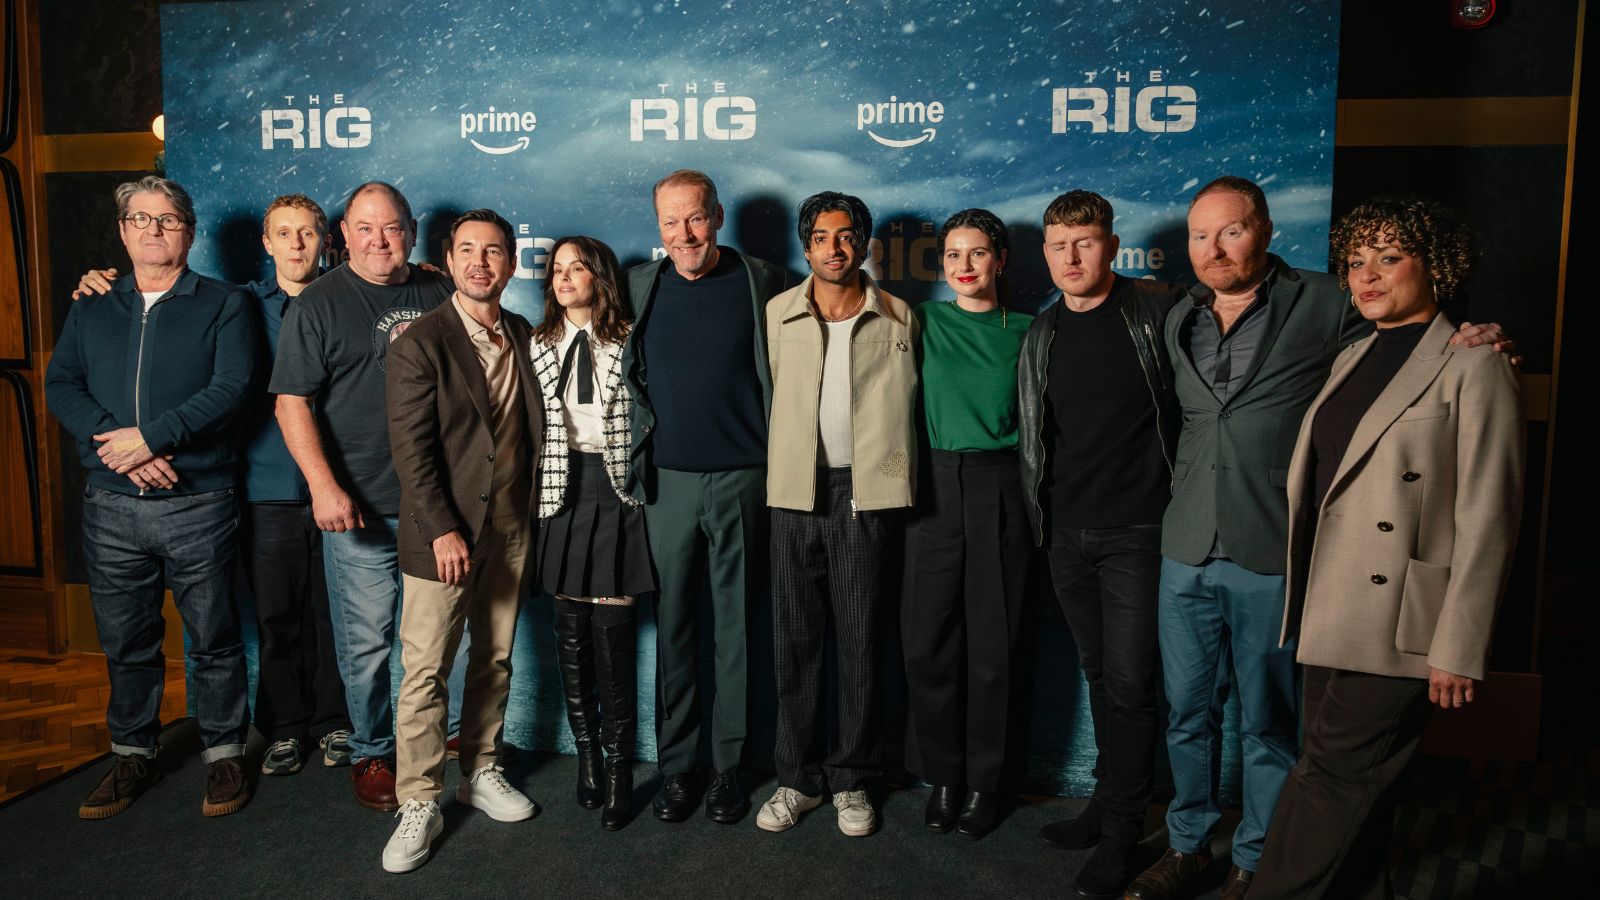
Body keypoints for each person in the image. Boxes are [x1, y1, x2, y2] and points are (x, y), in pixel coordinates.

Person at [1128, 177, 1512, 900]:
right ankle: (1188, 846)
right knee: (1187, 712)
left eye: (1232, 230)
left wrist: (1481, 332)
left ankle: (1256, 858)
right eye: (1200, 235)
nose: (1214, 249)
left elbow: (1425, 367)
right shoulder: (1175, 314)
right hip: (1195, 544)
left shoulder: (1330, 305)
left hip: (1279, 551)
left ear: (1265, 229)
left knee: (1274, 727)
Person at [1250, 197, 1523, 899]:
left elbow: (1489, 515)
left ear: (1438, 266)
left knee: (1327, 782)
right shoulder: (1353, 355)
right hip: (1330, 607)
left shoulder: (1475, 364)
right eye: (1355, 261)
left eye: (1389, 257)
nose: (1366, 275)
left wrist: (1459, 646)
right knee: (1352, 789)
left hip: (1404, 622)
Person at [71, 194, 357, 774]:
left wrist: (426, 272)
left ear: (327, 241)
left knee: (337, 617)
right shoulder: (241, 303)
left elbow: (401, 289)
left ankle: (336, 722)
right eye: (284, 232)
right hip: (266, 483)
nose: (297, 244)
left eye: (308, 233)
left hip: (344, 480)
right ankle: (282, 727)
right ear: (266, 243)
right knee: (275, 615)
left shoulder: (352, 298)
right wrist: (99, 279)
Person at [45, 175, 257, 818]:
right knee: (126, 641)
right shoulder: (92, 303)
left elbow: (232, 388)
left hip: (199, 502)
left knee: (214, 637)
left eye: (167, 219)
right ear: (122, 230)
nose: (153, 229)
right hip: (111, 505)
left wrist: (154, 440)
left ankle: (224, 754)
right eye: (140, 219)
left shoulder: (225, 303)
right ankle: (131, 752)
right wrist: (121, 450)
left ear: (189, 231)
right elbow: (63, 385)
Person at [271, 182, 469, 811]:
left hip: (436, 505)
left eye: (391, 228)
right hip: (359, 505)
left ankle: (446, 741)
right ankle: (373, 752)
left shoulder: (442, 290)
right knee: (366, 643)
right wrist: (323, 487)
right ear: (343, 237)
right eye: (364, 228)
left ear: (411, 232)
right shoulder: (319, 304)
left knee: (445, 637)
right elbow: (291, 402)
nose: (379, 240)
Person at [1015, 191, 1181, 899]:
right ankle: (1106, 802)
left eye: (1085, 243)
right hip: (1066, 534)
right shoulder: (1042, 333)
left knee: (1132, 683)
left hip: (1139, 532)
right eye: (1059, 245)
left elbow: (1276, 307)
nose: (1072, 257)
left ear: (1111, 246)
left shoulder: (1162, 312)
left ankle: (1123, 834)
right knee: (1101, 678)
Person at [621, 170, 787, 824]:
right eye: (670, 222)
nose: (683, 235)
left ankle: (728, 769)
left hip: (745, 476)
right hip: (667, 484)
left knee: (737, 631)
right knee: (674, 631)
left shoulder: (766, 282)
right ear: (657, 225)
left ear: (716, 215)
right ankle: (677, 768)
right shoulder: (638, 285)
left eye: (694, 219)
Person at [381, 209, 542, 873]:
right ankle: (418, 799)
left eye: (494, 251)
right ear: (447, 261)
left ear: (510, 263)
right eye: (468, 251)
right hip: (443, 536)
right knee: (424, 673)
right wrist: (443, 528)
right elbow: (412, 452)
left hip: (509, 526)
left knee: (495, 659)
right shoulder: (420, 343)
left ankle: (480, 772)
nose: (481, 262)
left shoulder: (524, 334)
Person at [757, 191, 919, 838]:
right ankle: (796, 778)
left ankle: (852, 779)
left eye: (846, 236)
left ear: (865, 243)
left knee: (859, 643)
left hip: (865, 499)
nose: (834, 248)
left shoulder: (901, 315)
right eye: (821, 237)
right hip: (795, 496)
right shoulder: (776, 313)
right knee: (795, 644)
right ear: (806, 247)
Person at [902, 208, 1032, 841]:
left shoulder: (1030, 332)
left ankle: (986, 782)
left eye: (977, 253)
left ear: (1000, 260)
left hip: (1000, 486)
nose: (964, 266)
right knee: (928, 642)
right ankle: (943, 776)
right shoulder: (921, 322)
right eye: (952, 255)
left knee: (994, 645)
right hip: (930, 487)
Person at [532, 236, 654, 831]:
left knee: (613, 632)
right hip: (560, 494)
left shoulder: (632, 338)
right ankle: (586, 758)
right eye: (556, 268)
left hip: (618, 493)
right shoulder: (536, 343)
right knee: (571, 631)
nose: (565, 276)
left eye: (578, 266)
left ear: (600, 276)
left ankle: (619, 767)